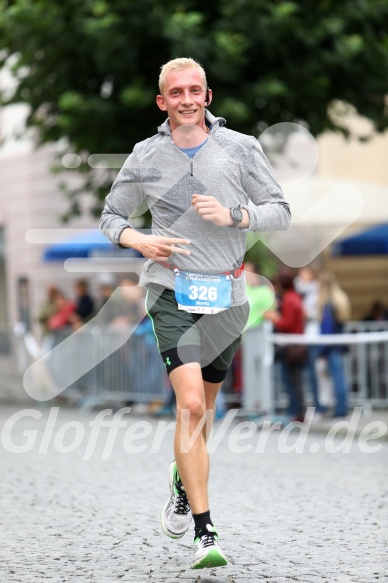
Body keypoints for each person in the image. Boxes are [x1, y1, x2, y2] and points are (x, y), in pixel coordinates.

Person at [100, 57, 291, 570]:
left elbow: (280, 208)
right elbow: (111, 215)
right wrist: (139, 239)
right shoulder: (145, 155)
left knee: (203, 414)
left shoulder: (241, 148)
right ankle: (206, 533)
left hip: (226, 299)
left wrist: (236, 216)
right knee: (189, 406)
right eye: (175, 93)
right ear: (162, 102)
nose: (186, 99)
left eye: (195, 90)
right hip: (170, 291)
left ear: (207, 96)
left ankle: (181, 479)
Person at [265, 267, 306, 422]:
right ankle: (297, 412)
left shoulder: (289, 299)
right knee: (296, 381)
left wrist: (273, 317)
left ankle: (297, 413)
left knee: (293, 382)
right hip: (296, 344)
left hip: (292, 346)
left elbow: (287, 323)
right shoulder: (295, 297)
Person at [318, 271, 351, 418]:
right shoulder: (341, 301)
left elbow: (327, 330)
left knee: (337, 377)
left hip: (331, 345)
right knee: (340, 377)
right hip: (339, 343)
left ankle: (341, 408)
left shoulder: (327, 306)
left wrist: (322, 350)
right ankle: (343, 406)